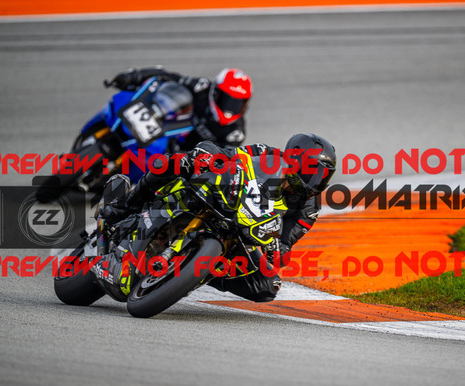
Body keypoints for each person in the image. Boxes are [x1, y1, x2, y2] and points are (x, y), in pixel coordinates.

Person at [92, 133, 337, 303]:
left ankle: (193, 275)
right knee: (181, 162)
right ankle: (126, 204)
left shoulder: (308, 209)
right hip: (225, 197)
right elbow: (230, 156)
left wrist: (278, 250)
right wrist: (209, 153)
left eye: (323, 176)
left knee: (268, 286)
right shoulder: (266, 154)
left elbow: (286, 243)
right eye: (313, 171)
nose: (317, 181)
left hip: (246, 232)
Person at [104, 66, 252, 149]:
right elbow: (170, 77)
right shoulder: (201, 87)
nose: (229, 109)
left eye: (237, 103)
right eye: (226, 100)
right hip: (163, 128)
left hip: (183, 161)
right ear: (215, 92)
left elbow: (223, 162)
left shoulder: (235, 132)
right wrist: (136, 76)